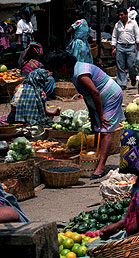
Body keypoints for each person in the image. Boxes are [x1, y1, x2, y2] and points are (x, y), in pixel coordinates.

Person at [45, 51, 124, 179]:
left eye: (59, 69)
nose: (59, 72)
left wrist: (101, 115)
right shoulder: (74, 73)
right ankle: (97, 158)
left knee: (105, 131)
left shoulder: (80, 74)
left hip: (110, 96)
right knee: (97, 128)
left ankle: (101, 167)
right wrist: (93, 116)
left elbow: (95, 93)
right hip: (98, 99)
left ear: (64, 66)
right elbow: (87, 96)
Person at [112, 8, 139, 89]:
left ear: (126, 14)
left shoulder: (133, 23)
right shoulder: (117, 25)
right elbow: (114, 36)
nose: (120, 16)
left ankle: (133, 78)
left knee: (131, 65)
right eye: (119, 15)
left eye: (122, 15)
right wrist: (113, 48)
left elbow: (137, 35)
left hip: (131, 46)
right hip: (120, 46)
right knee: (120, 66)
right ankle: (122, 84)